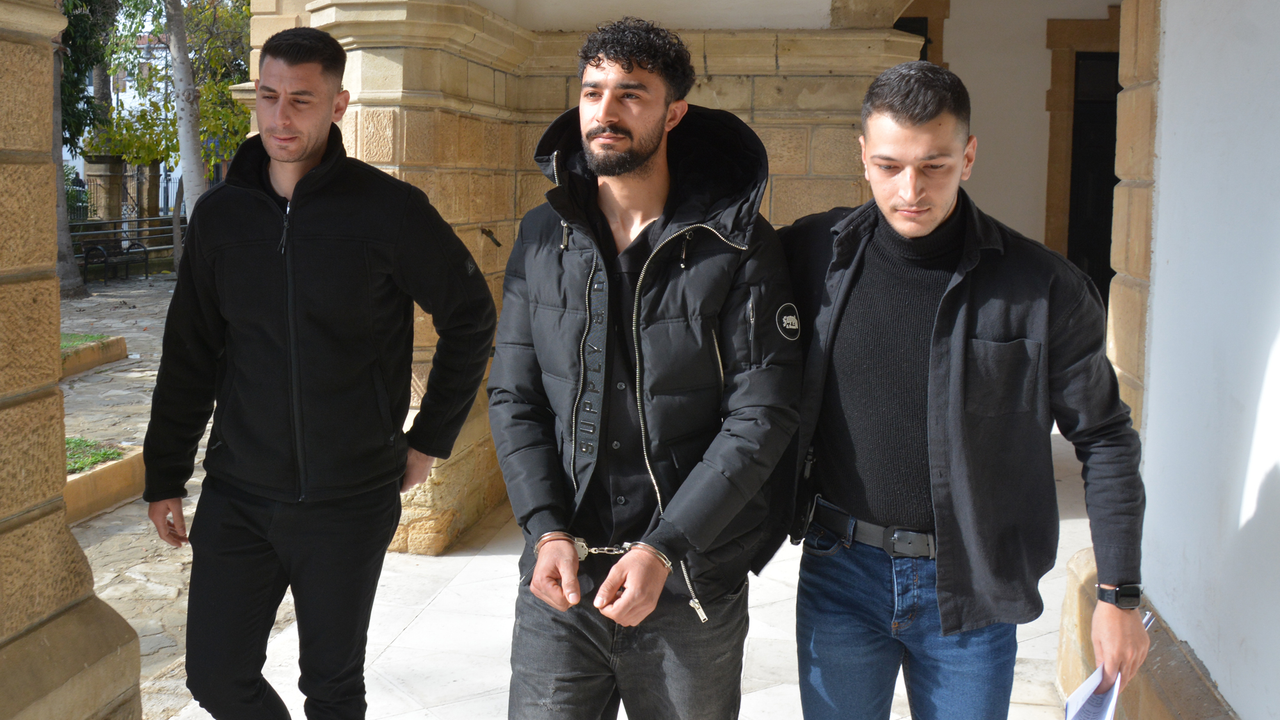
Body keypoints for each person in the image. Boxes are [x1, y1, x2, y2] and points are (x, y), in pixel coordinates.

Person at [778, 61, 1150, 720]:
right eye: (889, 165)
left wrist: (1118, 594)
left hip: (972, 588)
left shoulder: (1043, 288)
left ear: (969, 157)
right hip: (840, 573)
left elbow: (1105, 439)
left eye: (935, 166)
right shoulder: (812, 253)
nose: (910, 189)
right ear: (862, 156)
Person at [142, 27, 496, 719]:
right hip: (240, 494)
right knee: (215, 677)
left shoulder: (389, 210)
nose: (280, 116)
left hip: (350, 499)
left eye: (301, 100)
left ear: (337, 106)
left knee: (332, 690)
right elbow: (189, 353)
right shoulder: (219, 218)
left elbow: (471, 316)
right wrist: (164, 475)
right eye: (268, 95)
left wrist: (428, 440)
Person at [487, 17, 802, 720]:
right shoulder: (542, 235)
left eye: (631, 94)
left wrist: (665, 550)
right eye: (592, 91)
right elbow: (514, 396)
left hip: (689, 584)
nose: (605, 110)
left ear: (673, 112)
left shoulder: (738, 244)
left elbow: (761, 413)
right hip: (562, 583)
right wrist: (544, 527)